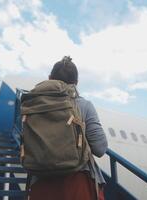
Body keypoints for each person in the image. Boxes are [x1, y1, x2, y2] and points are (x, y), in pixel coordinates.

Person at [29, 56, 108, 200]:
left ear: (49, 78)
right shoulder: (83, 105)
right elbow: (100, 148)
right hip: (77, 183)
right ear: (76, 83)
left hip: (40, 184)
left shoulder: (32, 106)